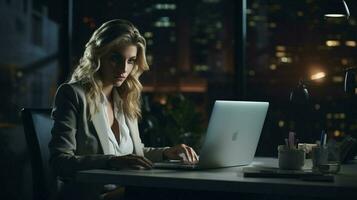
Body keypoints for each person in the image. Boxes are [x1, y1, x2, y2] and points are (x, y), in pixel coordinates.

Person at [49, 19, 198, 200]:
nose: (123, 68)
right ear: (98, 55)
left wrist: (166, 153)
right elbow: (59, 162)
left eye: (131, 61)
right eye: (115, 58)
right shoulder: (73, 94)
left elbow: (135, 154)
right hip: (93, 195)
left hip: (128, 191)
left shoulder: (126, 97)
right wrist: (111, 161)